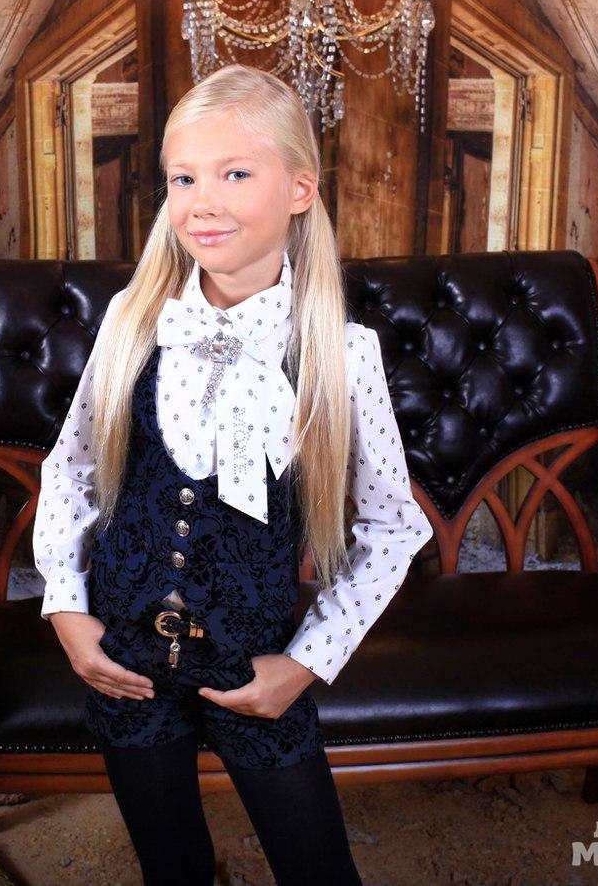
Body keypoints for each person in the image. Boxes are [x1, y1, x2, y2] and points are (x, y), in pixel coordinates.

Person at [31, 63, 434, 886]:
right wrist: (67, 607)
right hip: (127, 665)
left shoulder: (340, 353)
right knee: (172, 868)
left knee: (320, 872)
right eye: (184, 178)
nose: (202, 202)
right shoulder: (134, 320)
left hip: (255, 669)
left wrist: (309, 661)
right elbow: (72, 469)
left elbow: (395, 525)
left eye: (235, 174)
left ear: (300, 189)